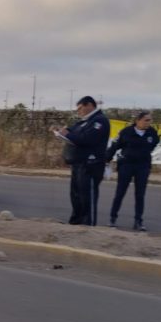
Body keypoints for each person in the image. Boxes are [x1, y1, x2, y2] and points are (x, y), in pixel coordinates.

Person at [52, 95, 110, 226]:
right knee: (76, 196)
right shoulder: (83, 121)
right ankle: (75, 222)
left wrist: (68, 134)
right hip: (78, 164)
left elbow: (86, 139)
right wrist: (61, 132)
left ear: (90, 105)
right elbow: (71, 132)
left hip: (91, 165)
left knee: (87, 197)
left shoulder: (99, 121)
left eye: (80, 108)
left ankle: (88, 226)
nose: (78, 111)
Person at [106, 111, 160, 231]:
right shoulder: (126, 132)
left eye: (150, 120)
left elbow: (154, 144)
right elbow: (114, 146)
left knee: (140, 194)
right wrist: (107, 159)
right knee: (120, 192)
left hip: (143, 166)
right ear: (138, 121)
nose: (149, 122)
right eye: (146, 120)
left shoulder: (152, 133)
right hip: (126, 165)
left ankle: (138, 221)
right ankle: (112, 219)